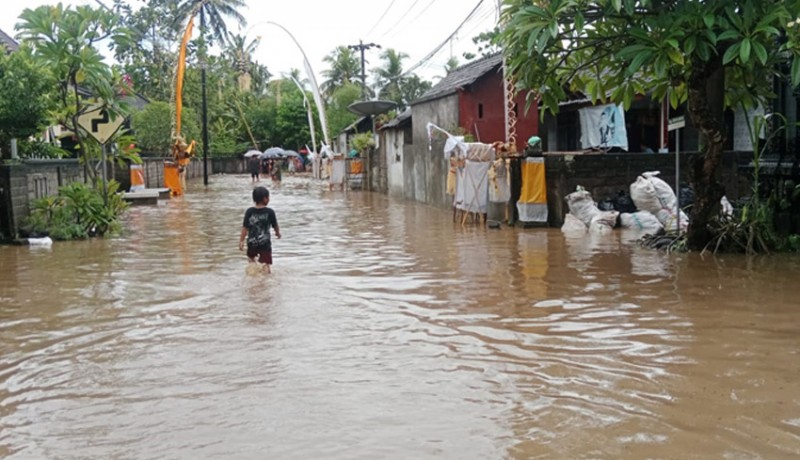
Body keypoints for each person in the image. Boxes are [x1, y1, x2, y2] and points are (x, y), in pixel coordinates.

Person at [239, 186, 281, 273]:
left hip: (252, 243)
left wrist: (241, 241)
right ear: (265, 198)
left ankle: (253, 279)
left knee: (251, 262)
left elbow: (245, 227)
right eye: (268, 197)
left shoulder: (249, 212)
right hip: (265, 244)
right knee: (266, 265)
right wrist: (278, 233)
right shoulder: (270, 212)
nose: (269, 199)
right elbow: (275, 225)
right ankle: (265, 281)